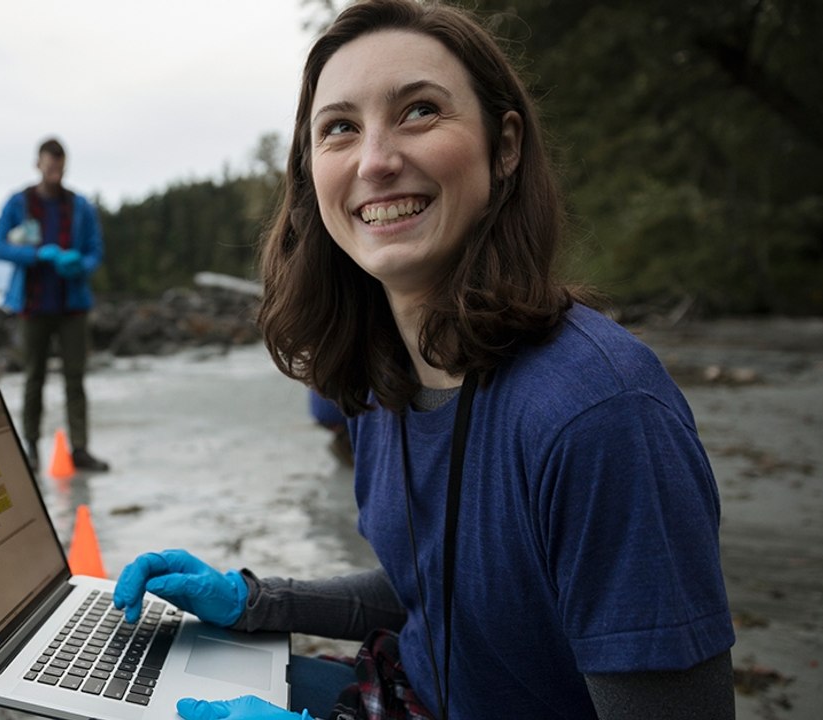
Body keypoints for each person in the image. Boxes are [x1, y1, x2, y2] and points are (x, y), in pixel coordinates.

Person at [111, 2, 735, 719]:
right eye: (339, 127)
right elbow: (440, 593)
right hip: (402, 694)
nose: (375, 161)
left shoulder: (600, 416)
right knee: (131, 686)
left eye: (419, 111)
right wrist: (254, 600)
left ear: (504, 147)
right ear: (311, 172)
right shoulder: (381, 379)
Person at [0, 137, 111, 472]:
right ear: (38, 164)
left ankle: (80, 449)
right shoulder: (19, 203)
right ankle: (30, 448)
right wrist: (35, 254)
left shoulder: (81, 206)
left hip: (72, 306)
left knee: (75, 378)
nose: (54, 170)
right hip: (33, 305)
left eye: (59, 165)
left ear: (64, 165)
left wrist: (80, 265)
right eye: (49, 164)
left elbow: (95, 252)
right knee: (34, 379)